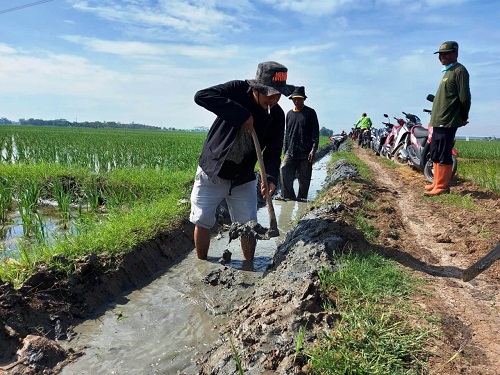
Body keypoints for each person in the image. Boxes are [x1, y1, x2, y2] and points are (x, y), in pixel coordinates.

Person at [190, 61, 295, 260]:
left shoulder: (277, 115)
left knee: (249, 225)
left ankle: (249, 266)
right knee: (203, 219)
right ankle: (202, 265)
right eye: (269, 93)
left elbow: (272, 153)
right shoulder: (238, 90)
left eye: (278, 94)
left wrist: (271, 178)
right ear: (257, 88)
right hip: (213, 170)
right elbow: (201, 96)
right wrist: (240, 114)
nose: (274, 99)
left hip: (243, 177)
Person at [425, 41, 471, 196]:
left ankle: (443, 187)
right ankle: (436, 182)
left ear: (455, 53)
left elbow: (464, 98)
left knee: (444, 153)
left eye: (445, 53)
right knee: (436, 152)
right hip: (438, 120)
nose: (441, 57)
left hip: (448, 120)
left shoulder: (460, 71)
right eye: (440, 54)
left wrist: (463, 116)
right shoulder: (447, 72)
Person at [279, 86, 319, 201]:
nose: (297, 101)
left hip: (306, 152)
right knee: (284, 169)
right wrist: (285, 151)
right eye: (294, 99)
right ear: (292, 99)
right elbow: (287, 134)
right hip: (291, 151)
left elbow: (315, 132)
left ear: (304, 99)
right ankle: (288, 197)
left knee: (304, 178)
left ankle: (302, 198)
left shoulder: (310, 113)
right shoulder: (289, 114)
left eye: (299, 99)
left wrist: (313, 149)